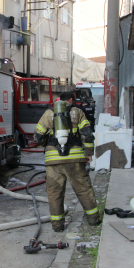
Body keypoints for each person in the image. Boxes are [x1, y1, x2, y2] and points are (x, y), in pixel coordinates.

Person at [34, 91, 101, 232]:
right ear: (71, 100)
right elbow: (88, 135)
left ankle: (58, 227)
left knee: (55, 194)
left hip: (53, 162)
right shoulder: (78, 112)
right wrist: (89, 154)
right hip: (75, 160)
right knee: (84, 190)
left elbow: (38, 137)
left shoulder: (48, 113)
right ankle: (94, 221)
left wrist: (48, 143)